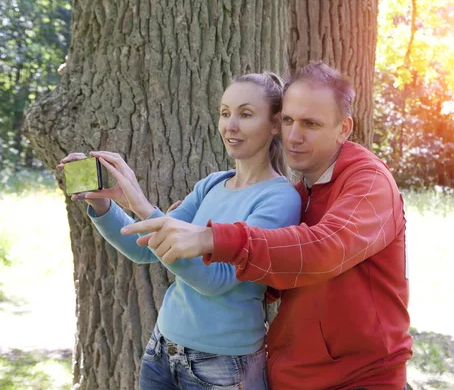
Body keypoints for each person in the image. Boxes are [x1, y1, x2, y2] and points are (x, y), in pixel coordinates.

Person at [123, 62, 413, 390]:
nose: (293, 135)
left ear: (343, 128)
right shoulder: (302, 193)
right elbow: (279, 278)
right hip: (294, 376)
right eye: (287, 120)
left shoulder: (369, 181)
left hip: (361, 379)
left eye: (311, 124)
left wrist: (211, 238)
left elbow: (325, 248)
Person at [58, 72, 301, 390]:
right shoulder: (212, 184)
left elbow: (216, 281)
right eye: (225, 113)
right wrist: (105, 205)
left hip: (224, 367)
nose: (230, 126)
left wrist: (143, 205)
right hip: (162, 348)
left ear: (274, 124)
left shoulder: (280, 198)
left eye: (245, 114)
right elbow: (144, 249)